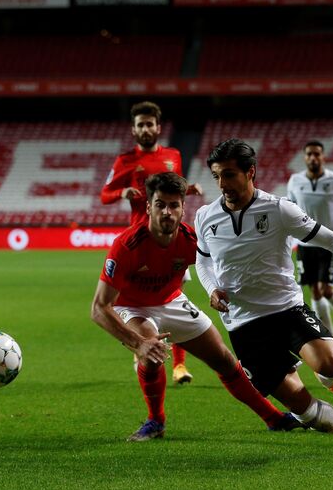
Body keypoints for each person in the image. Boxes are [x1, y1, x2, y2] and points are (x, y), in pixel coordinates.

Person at [195, 139, 333, 458]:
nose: (223, 184)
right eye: (217, 176)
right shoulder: (205, 216)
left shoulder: (278, 209)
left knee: (330, 363)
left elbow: (330, 239)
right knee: (302, 408)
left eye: (230, 175)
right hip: (243, 325)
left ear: (251, 173)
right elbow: (203, 261)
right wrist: (211, 289)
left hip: (286, 309)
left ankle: (331, 378)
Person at [91, 173, 300, 441]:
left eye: (174, 205)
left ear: (182, 207)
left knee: (224, 359)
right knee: (151, 353)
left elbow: (220, 264)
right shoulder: (127, 245)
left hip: (173, 301)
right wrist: (137, 343)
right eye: (160, 205)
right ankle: (156, 421)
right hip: (134, 307)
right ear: (148, 207)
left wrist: (220, 289)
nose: (167, 212)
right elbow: (99, 308)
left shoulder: (191, 239)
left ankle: (274, 418)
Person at [99, 101, 203, 386]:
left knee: (175, 297)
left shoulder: (173, 156)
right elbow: (104, 194)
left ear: (159, 127)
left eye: (150, 124)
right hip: (140, 242)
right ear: (133, 129)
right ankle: (143, 342)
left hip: (172, 241)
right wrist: (122, 193)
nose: (146, 129)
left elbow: (175, 186)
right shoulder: (125, 161)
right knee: (143, 301)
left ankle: (180, 366)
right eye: (140, 124)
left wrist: (188, 188)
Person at [286, 140, 333, 348]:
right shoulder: (295, 181)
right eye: (309, 154)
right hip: (305, 244)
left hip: (328, 243)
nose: (313, 158)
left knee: (326, 290)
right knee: (314, 291)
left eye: (317, 154)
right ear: (305, 157)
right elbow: (289, 209)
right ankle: (330, 335)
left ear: (323, 157)